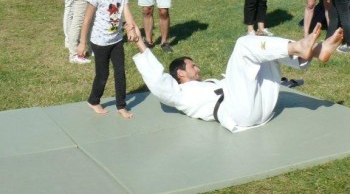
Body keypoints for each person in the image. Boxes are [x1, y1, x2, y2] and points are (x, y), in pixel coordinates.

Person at [132, 22, 343, 133]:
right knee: (244, 44)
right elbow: (159, 82)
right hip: (238, 113)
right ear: (180, 73)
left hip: (262, 108)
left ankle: (316, 50)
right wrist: (140, 43)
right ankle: (300, 47)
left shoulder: (209, 83)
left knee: (265, 52)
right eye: (192, 66)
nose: (197, 68)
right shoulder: (180, 94)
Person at [77, 0, 137, 118]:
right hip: (100, 42)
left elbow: (127, 13)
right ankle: (93, 100)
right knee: (102, 74)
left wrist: (130, 27)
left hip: (116, 40)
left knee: (120, 72)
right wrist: (82, 43)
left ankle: (121, 105)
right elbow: (87, 20)